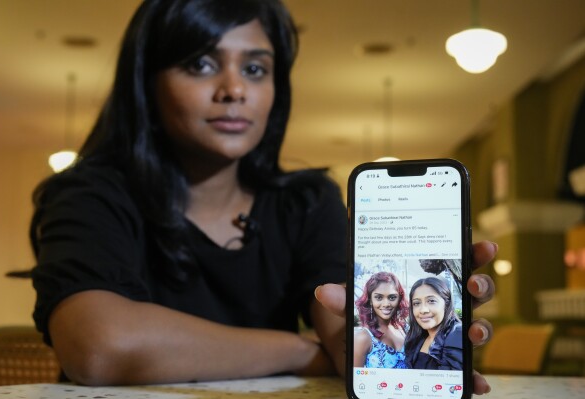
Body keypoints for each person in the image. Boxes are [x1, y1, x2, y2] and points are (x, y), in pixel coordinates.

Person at [29, 0, 497, 393]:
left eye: (255, 68)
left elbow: (346, 339)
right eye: (200, 64)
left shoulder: (306, 202)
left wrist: (422, 342)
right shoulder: (90, 194)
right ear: (146, 82)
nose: (233, 90)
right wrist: (296, 349)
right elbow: (99, 346)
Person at [404, 277, 462, 370]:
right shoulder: (418, 337)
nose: (423, 310)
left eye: (431, 301)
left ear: (446, 304)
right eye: (417, 303)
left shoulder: (458, 334)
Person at [353, 272, 408, 368]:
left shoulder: (404, 329)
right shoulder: (363, 338)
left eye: (392, 297)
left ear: (399, 299)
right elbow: (357, 380)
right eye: (379, 297)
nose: (386, 304)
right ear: (370, 300)